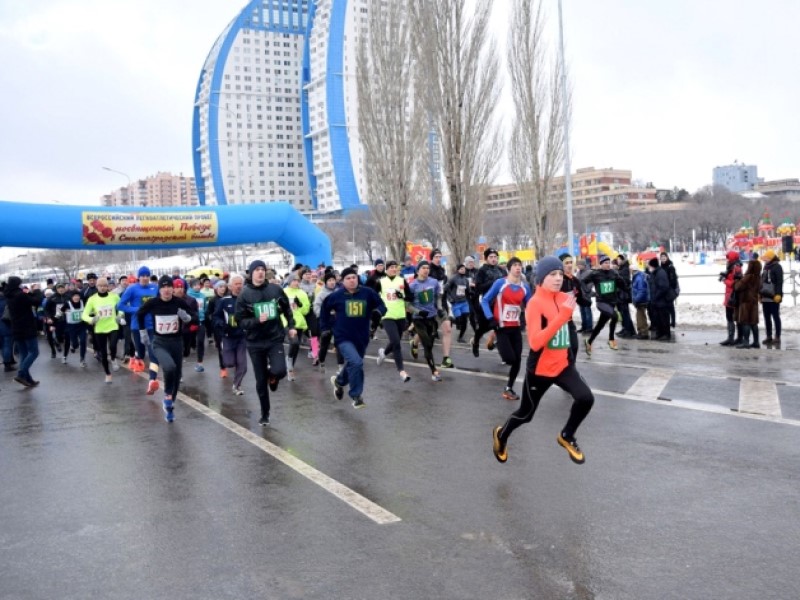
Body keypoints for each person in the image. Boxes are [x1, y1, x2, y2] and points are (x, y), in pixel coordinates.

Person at [492, 256, 594, 465]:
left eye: (560, 274)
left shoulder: (562, 297)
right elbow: (536, 342)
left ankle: (567, 435)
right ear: (541, 278)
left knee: (586, 398)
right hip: (540, 370)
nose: (558, 278)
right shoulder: (535, 304)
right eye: (552, 274)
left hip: (563, 365)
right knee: (525, 415)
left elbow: (566, 327)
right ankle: (501, 436)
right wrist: (562, 316)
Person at [235, 260, 297, 426]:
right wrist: (256, 321)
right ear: (251, 273)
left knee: (280, 370)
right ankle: (265, 413)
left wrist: (291, 326)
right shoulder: (244, 295)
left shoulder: (275, 290)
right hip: (254, 342)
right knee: (260, 381)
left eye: (263, 269)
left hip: (274, 338)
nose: (260, 272)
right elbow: (241, 321)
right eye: (257, 270)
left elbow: (287, 309)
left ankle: (274, 377)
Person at [320, 267, 386, 408]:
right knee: (356, 363)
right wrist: (325, 328)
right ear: (342, 281)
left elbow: (382, 305)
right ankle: (356, 396)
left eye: (354, 277)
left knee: (353, 364)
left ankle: (339, 381)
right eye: (348, 278)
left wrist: (378, 312)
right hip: (343, 337)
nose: (351, 280)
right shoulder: (336, 296)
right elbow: (324, 308)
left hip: (362, 336)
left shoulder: (368, 293)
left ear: (357, 278)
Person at [137, 276, 197, 422]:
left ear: (173, 288)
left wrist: (187, 318)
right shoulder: (153, 302)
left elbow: (195, 317)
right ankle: (167, 395)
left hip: (176, 342)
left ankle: (169, 404)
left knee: (176, 375)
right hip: (160, 342)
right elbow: (140, 314)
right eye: (163, 287)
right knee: (169, 367)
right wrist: (143, 332)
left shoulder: (178, 302)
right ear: (160, 289)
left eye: (169, 286)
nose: (166, 289)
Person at [481, 257, 532, 401]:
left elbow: (531, 306)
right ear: (509, 269)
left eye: (520, 265)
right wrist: (490, 318)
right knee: (509, 359)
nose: (518, 268)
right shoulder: (500, 283)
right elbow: (485, 300)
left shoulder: (524, 287)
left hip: (515, 326)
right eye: (515, 265)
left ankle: (508, 388)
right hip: (501, 327)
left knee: (517, 360)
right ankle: (495, 339)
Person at [408, 260, 445, 382]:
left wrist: (439, 308)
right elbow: (406, 305)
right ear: (418, 270)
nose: (426, 270)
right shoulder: (412, 286)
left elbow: (438, 296)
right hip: (419, 319)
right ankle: (434, 371)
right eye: (423, 268)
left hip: (432, 318)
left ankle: (414, 343)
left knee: (431, 345)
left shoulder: (434, 282)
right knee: (427, 344)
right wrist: (418, 312)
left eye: (427, 268)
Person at [583, 254, 628, 355]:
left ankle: (589, 342)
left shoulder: (614, 273)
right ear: (601, 264)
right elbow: (583, 281)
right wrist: (589, 293)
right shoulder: (595, 274)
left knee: (600, 325)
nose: (608, 265)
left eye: (609, 262)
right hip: (601, 302)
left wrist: (626, 288)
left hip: (611, 303)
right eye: (605, 263)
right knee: (615, 316)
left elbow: (622, 284)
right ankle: (611, 340)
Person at [376, 260, 412, 382]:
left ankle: (383, 353)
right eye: (391, 267)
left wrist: (403, 297)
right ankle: (402, 371)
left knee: (395, 341)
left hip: (400, 316)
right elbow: (373, 296)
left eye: (395, 267)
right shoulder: (380, 282)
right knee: (396, 342)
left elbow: (410, 296)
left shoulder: (402, 281)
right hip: (387, 316)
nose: (393, 269)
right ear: (386, 270)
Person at [82, 277, 123, 383]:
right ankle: (108, 374)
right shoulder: (92, 299)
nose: (103, 288)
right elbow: (84, 315)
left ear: (108, 286)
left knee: (113, 345)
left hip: (113, 325)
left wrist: (120, 315)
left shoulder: (114, 296)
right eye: (100, 286)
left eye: (105, 285)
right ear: (97, 287)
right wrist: (91, 319)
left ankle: (113, 358)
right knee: (103, 354)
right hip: (100, 329)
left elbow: (122, 307)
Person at [213, 274, 248, 395]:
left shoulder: (246, 300)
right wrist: (222, 324)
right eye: (236, 284)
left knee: (242, 364)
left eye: (240, 284)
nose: (239, 286)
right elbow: (216, 316)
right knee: (229, 363)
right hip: (228, 336)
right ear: (230, 286)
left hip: (242, 337)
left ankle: (236, 385)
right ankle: (230, 362)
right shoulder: (224, 301)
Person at [5, 277, 44, 387]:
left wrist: (29, 294)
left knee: (23, 353)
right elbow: (36, 301)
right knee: (34, 352)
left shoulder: (9, 295)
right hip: (27, 327)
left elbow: (27, 301)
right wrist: (36, 290)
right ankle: (21, 374)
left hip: (16, 328)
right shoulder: (20, 294)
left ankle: (28, 379)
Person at [471, 247, 504, 357]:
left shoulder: (501, 270)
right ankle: (475, 342)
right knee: (483, 328)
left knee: (501, 327)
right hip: (486, 303)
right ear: (486, 258)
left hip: (500, 303)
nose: (494, 259)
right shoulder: (482, 270)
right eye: (491, 257)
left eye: (495, 257)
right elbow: (478, 288)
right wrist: (493, 283)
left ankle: (499, 347)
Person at [559, 254, 592, 362]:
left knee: (574, 347)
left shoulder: (575, 281)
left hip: (569, 320)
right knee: (561, 352)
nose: (569, 265)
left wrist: (587, 302)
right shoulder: (558, 281)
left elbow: (578, 297)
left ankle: (570, 370)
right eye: (566, 263)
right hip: (557, 322)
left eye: (570, 263)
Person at [734, 258, 762, 349]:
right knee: (753, 322)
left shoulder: (748, 277)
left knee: (745, 322)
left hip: (745, 302)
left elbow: (738, 287)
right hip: (754, 302)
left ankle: (746, 342)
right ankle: (756, 342)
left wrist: (737, 280)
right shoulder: (758, 277)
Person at [719, 251, 743, 346]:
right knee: (729, 317)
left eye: (728, 258)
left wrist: (725, 280)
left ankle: (735, 337)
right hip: (729, 295)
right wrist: (725, 276)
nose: (727, 260)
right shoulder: (732, 267)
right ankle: (731, 337)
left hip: (733, 296)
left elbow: (735, 283)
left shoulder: (736, 267)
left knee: (734, 317)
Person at [760, 250, 783, 346]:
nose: (764, 260)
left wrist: (778, 294)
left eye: (766, 258)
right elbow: (762, 281)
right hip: (765, 296)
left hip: (774, 296)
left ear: (770, 258)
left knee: (775, 316)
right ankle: (769, 336)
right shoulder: (766, 267)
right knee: (766, 317)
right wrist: (760, 294)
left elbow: (779, 282)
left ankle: (777, 336)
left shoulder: (777, 267)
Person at [647, 258, 672, 341]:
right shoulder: (655, 273)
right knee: (658, 319)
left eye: (649, 266)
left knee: (664, 318)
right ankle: (660, 333)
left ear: (653, 266)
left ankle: (666, 334)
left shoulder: (660, 273)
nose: (648, 268)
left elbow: (663, 288)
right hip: (657, 301)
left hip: (662, 301)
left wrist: (655, 296)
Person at [614, 254, 636, 338]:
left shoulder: (625, 269)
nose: (618, 261)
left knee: (625, 313)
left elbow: (624, 282)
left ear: (623, 260)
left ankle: (629, 330)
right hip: (620, 294)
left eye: (619, 259)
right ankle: (625, 328)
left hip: (623, 295)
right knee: (622, 313)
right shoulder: (621, 269)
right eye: (617, 259)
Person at [630, 261, 651, 339]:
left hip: (641, 301)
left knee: (641, 317)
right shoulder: (639, 276)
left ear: (633, 270)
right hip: (641, 300)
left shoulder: (638, 278)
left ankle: (643, 333)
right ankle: (642, 332)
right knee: (640, 316)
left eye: (630, 270)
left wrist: (636, 300)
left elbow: (641, 290)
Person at [659, 251, 679, 328]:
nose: (663, 258)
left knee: (670, 306)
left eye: (664, 257)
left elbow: (673, 279)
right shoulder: (661, 267)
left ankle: (673, 322)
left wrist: (670, 287)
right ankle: (668, 321)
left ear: (667, 257)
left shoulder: (670, 267)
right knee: (666, 306)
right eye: (662, 257)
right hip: (663, 289)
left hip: (669, 289)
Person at [575, 259, 594, 334]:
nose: (579, 266)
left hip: (586, 296)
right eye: (578, 265)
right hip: (580, 296)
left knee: (587, 312)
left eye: (580, 264)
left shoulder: (589, 272)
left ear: (584, 265)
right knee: (582, 311)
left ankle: (589, 328)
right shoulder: (578, 273)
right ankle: (584, 327)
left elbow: (591, 283)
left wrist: (586, 291)